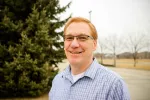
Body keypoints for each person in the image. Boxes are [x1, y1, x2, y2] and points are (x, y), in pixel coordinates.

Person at [49, 17, 130, 100]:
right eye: (69, 38)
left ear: (94, 44)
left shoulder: (114, 84)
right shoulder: (57, 80)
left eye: (82, 38)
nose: (74, 44)